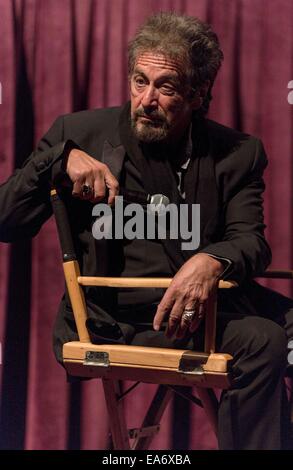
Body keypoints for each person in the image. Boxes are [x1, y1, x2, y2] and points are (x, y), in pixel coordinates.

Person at [0, 11, 292, 450]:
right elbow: (7, 220)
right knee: (262, 341)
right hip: (116, 318)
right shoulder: (79, 133)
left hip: (206, 310)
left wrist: (211, 260)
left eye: (166, 87)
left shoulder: (237, 153)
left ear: (198, 95)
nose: (146, 100)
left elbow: (251, 240)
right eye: (140, 81)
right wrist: (56, 161)